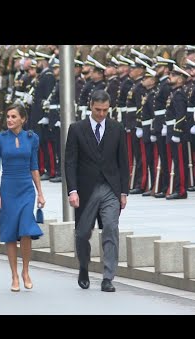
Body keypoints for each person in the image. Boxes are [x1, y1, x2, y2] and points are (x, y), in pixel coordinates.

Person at [65, 90, 129, 292]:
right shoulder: (76, 129)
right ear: (90, 106)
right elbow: (70, 162)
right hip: (86, 189)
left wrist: (124, 192)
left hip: (110, 188)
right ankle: (84, 266)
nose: (101, 114)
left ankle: (108, 277)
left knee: (110, 228)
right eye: (97, 110)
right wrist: (72, 190)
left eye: (105, 110)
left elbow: (123, 162)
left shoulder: (117, 128)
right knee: (83, 234)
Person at [0, 103, 45, 292]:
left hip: (26, 189)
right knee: (10, 232)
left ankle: (26, 271)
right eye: (8, 117)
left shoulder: (32, 138)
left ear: (23, 119)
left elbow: (34, 167)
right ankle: (14, 275)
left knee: (25, 229)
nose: (10, 120)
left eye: (14, 117)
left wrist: (40, 192)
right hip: (7, 189)